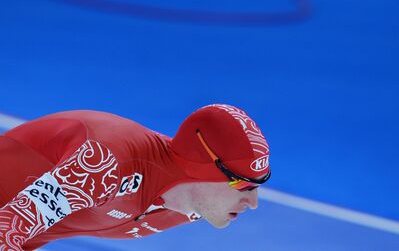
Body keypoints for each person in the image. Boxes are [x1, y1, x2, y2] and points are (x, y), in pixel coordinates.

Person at [0, 104, 271, 250]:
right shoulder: (105, 164)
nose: (254, 202)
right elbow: (8, 226)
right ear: (203, 170)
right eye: (243, 184)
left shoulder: (193, 206)